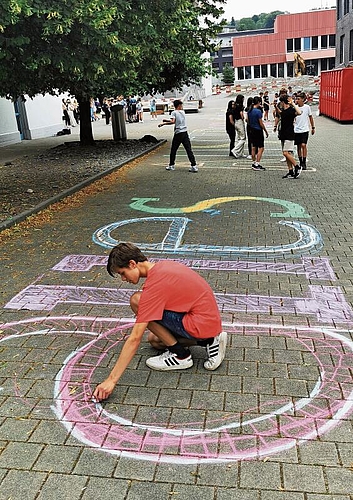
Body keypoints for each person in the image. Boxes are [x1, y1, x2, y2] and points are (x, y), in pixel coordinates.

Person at [92, 243, 227, 401]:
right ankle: (209, 342)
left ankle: (181, 356)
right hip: (207, 322)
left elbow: (135, 338)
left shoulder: (156, 284)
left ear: (132, 264)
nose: (123, 279)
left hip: (199, 323)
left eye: (123, 273)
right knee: (155, 341)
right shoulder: (162, 267)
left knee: (137, 301)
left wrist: (111, 380)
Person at [158, 99, 198, 173]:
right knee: (188, 149)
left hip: (178, 133)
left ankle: (171, 165)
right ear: (179, 106)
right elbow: (176, 121)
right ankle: (194, 165)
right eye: (181, 105)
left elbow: (173, 122)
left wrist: (164, 123)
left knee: (173, 150)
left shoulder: (174, 112)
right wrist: (166, 121)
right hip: (185, 132)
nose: (182, 106)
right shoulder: (183, 112)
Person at [275, 95, 302, 179]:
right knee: (287, 154)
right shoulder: (284, 111)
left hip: (289, 134)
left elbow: (299, 112)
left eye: (281, 102)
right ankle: (290, 171)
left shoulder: (291, 110)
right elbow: (281, 114)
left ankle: (297, 166)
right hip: (283, 134)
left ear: (283, 102)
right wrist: (275, 107)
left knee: (285, 153)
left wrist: (293, 103)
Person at [246, 96, 268, 171]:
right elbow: (261, 123)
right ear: (259, 102)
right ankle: (257, 163)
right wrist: (265, 130)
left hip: (252, 129)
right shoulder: (258, 112)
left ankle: (254, 161)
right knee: (261, 147)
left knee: (254, 146)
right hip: (258, 130)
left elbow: (247, 120)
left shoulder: (249, 110)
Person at [294, 92, 315, 170]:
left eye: (299, 99)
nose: (297, 100)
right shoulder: (295, 107)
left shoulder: (307, 107)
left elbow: (310, 117)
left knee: (303, 145)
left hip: (304, 129)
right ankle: (300, 161)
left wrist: (313, 127)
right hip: (296, 130)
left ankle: (304, 161)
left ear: (303, 99)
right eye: (296, 99)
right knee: (298, 146)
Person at [231, 94, 246, 158]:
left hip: (236, 122)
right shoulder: (240, 106)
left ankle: (240, 153)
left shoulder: (234, 106)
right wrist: (243, 118)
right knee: (243, 138)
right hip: (239, 121)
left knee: (239, 138)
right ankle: (235, 150)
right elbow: (241, 114)